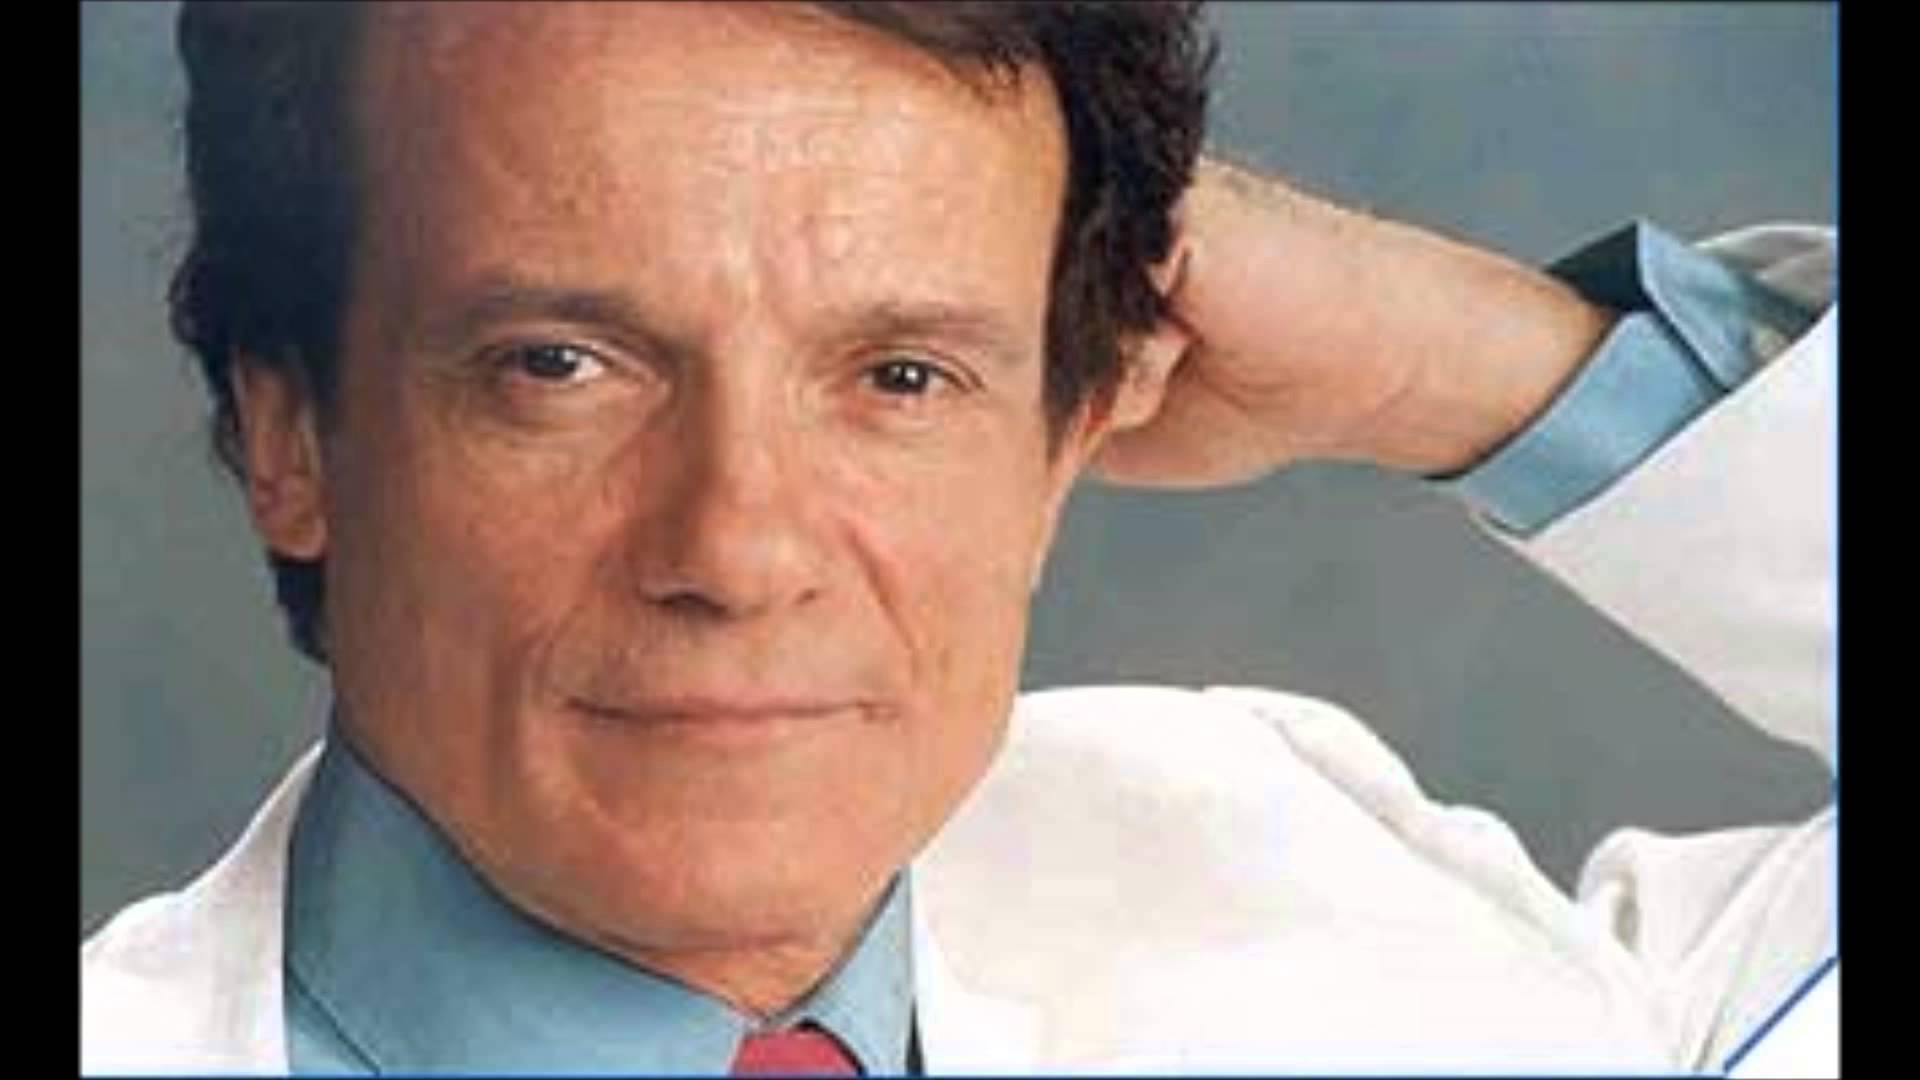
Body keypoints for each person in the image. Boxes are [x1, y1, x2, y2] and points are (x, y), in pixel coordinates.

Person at [81, 1, 1835, 1073]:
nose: (739, 549)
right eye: (561, 364)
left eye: (903, 375)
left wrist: (1446, 356)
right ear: (288, 432)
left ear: (1070, 435)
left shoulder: (1277, 857)